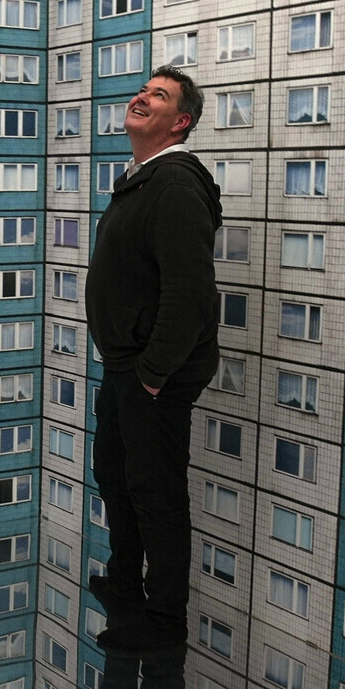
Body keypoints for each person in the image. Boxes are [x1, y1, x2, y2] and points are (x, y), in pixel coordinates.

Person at [84, 65, 222, 652]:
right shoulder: (141, 179)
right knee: (116, 476)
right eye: (143, 89)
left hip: (152, 373)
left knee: (156, 493)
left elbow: (190, 295)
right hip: (128, 366)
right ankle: (125, 584)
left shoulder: (176, 185)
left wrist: (153, 374)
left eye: (158, 95)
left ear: (180, 122)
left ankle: (164, 622)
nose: (141, 96)